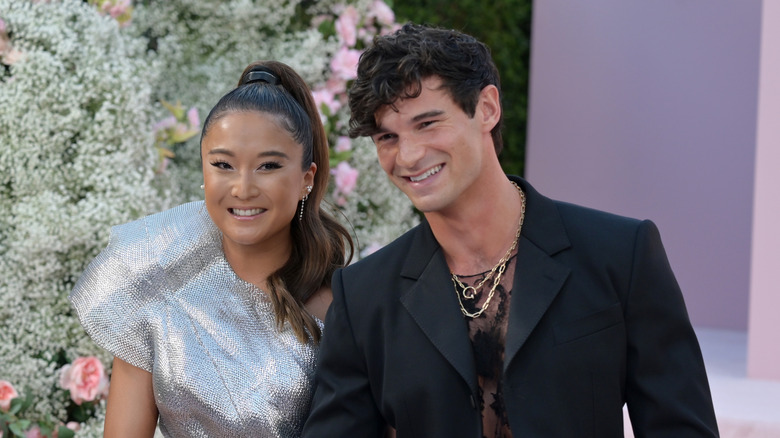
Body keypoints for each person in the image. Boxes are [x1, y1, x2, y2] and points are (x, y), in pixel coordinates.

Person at [302, 23, 719, 437]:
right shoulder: (363, 297)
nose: (407, 156)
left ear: (487, 109)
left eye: (427, 124)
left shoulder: (620, 255)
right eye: (387, 137)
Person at [69, 60, 352, 437]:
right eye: (223, 165)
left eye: (268, 166)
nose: (243, 188)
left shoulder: (343, 310)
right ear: (204, 170)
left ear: (306, 179)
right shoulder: (152, 285)